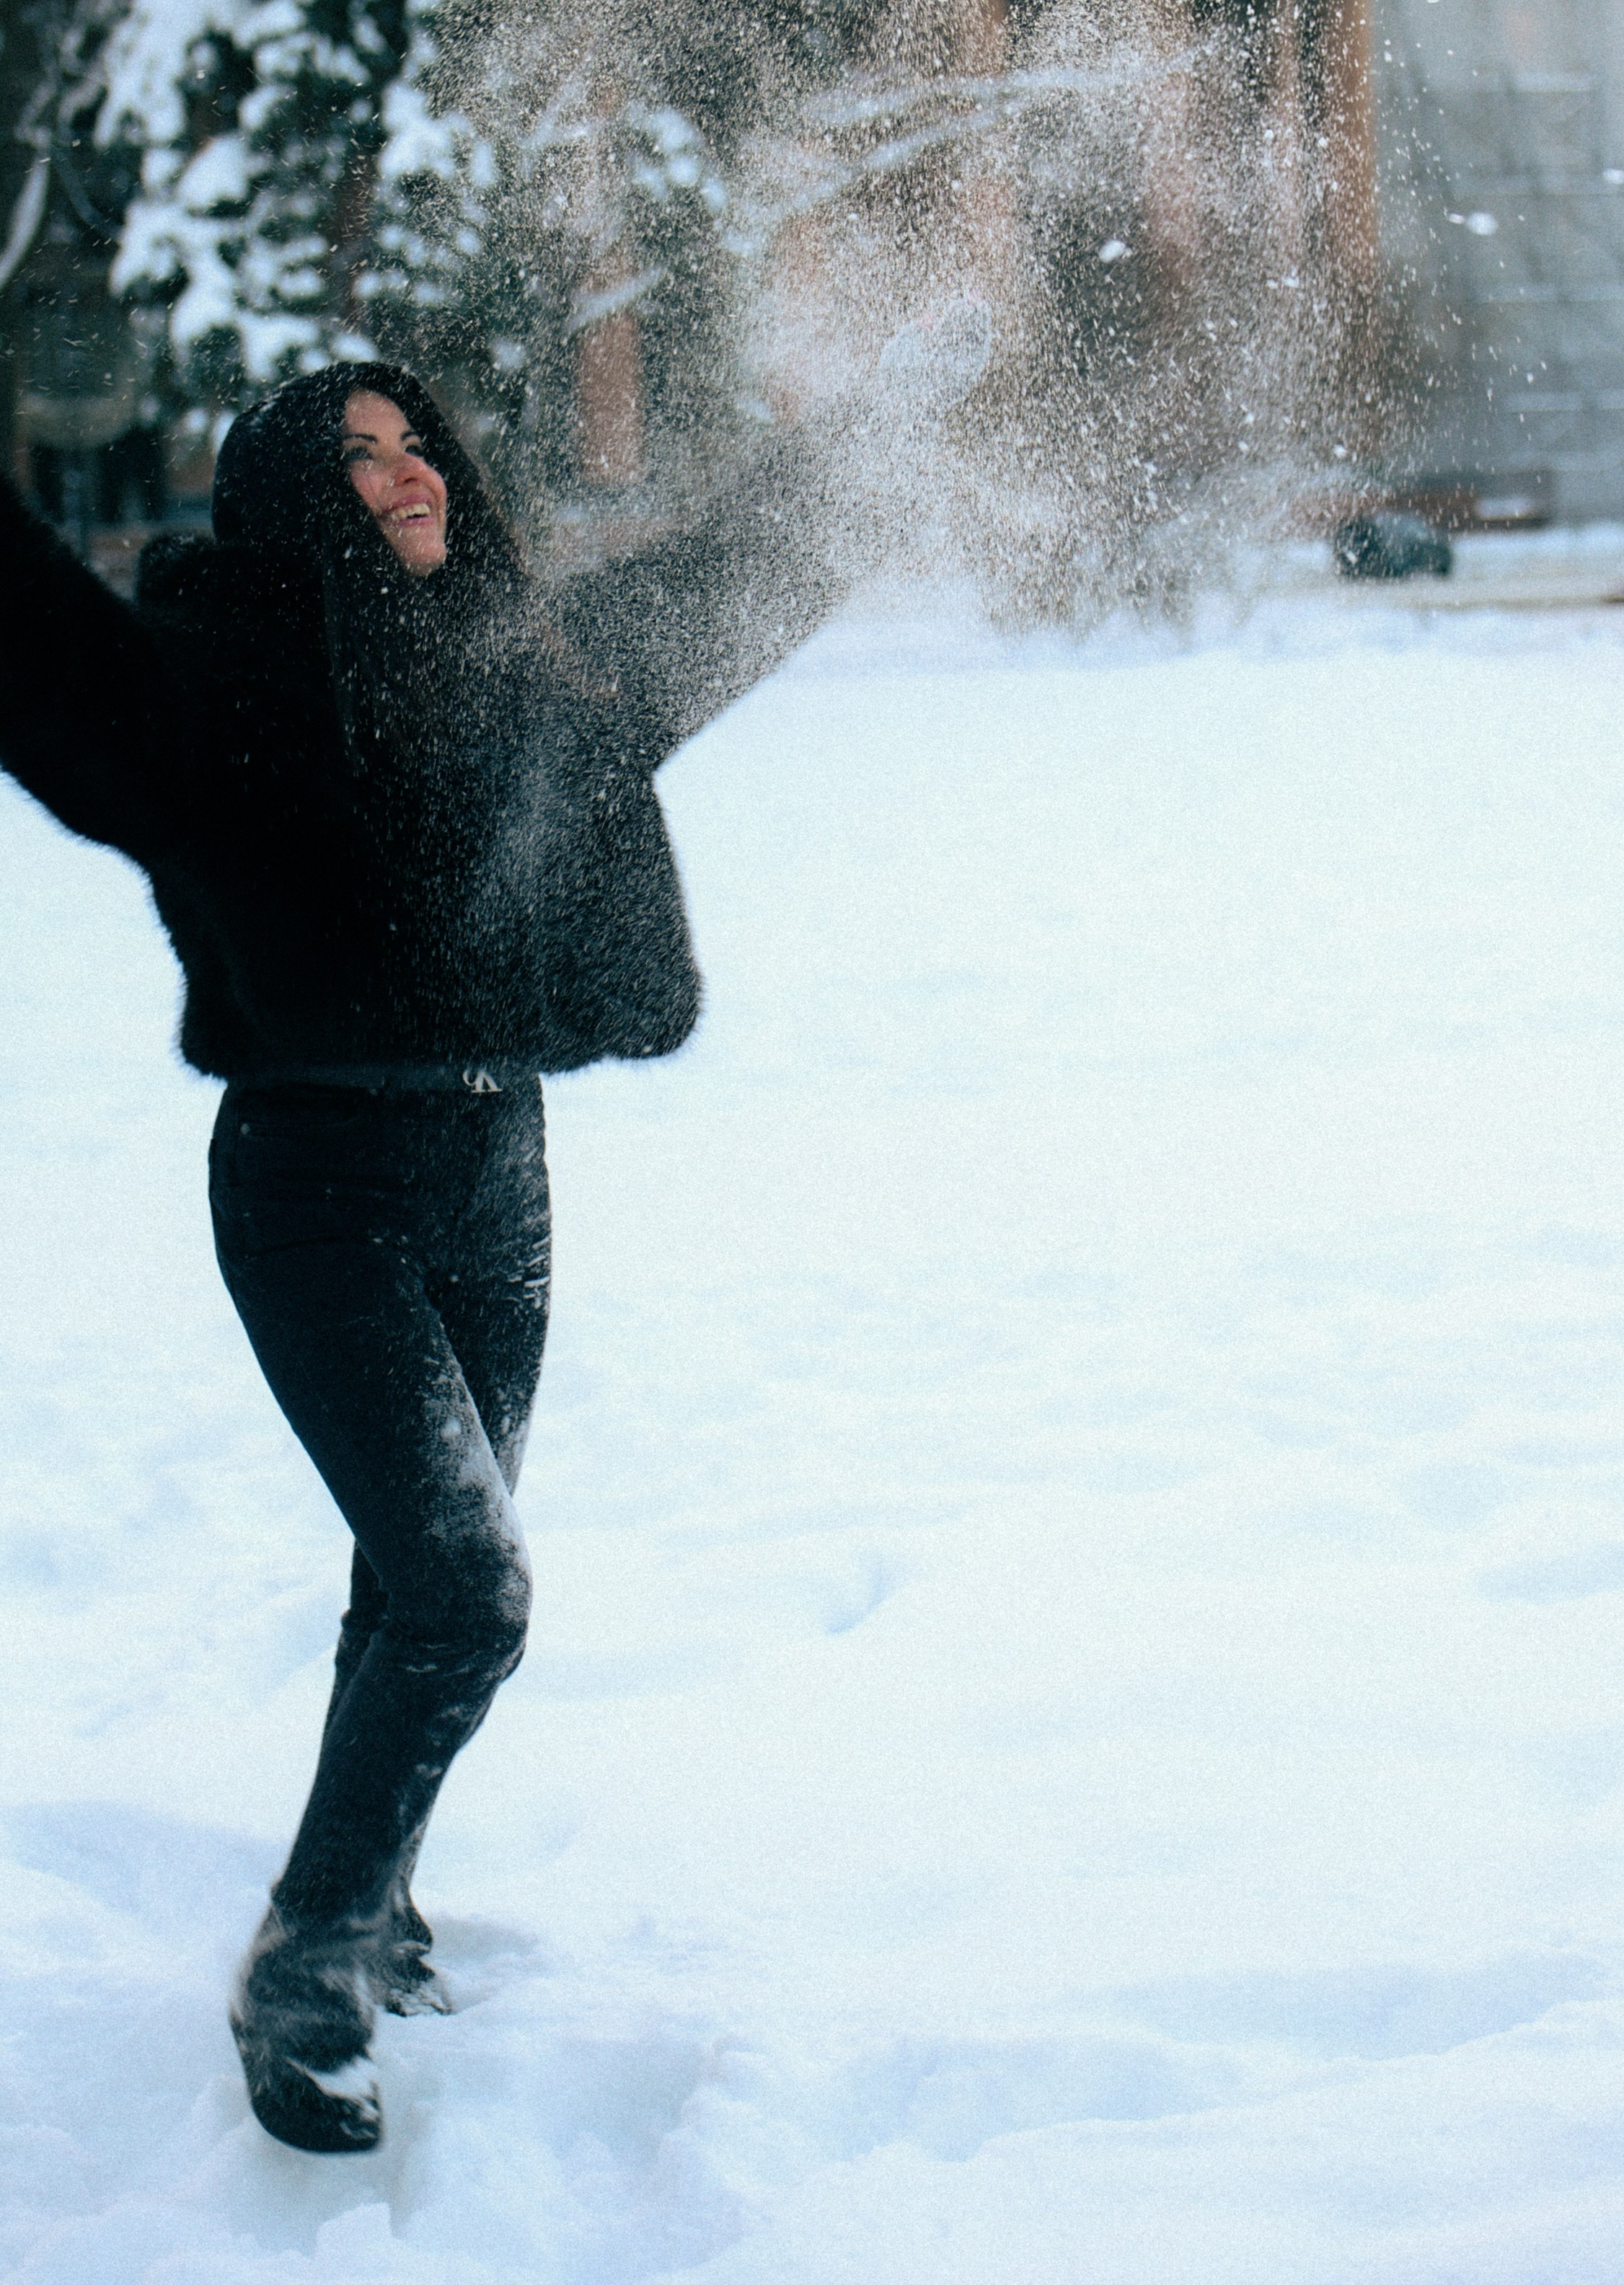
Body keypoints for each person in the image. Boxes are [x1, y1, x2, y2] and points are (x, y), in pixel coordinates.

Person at [0, 325, 984, 2155]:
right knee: (468, 1591)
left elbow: (728, 579)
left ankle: (378, 1901)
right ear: (294, 511)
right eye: (356, 457)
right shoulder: (217, 699)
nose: (405, 472)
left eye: (413, 441)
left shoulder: (529, 665)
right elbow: (38, 650)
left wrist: (889, 411)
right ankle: (307, 1961)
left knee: (412, 1582)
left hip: (494, 1169)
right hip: (313, 1185)